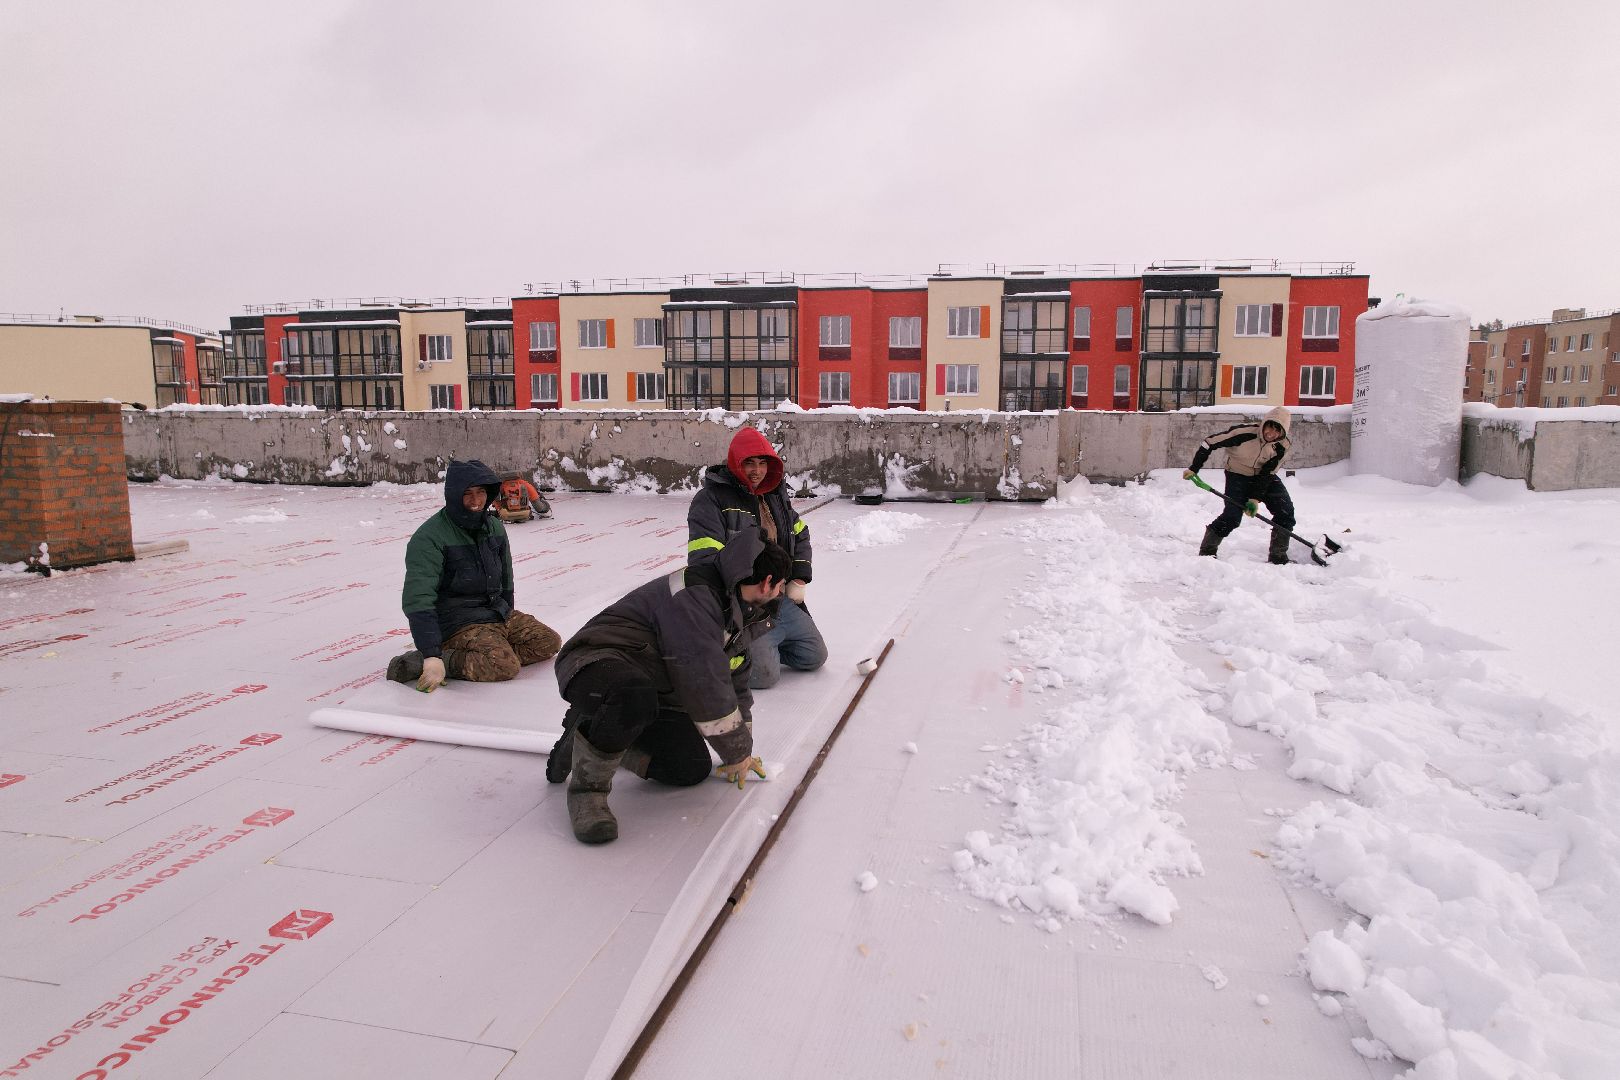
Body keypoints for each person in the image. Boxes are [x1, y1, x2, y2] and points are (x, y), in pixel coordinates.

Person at [547, 531, 791, 844]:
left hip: (655, 686)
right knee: (631, 695)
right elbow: (703, 686)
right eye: (781, 585)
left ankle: (590, 732)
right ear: (767, 582)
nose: (782, 593)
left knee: (688, 768)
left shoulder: (743, 609)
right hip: (597, 661)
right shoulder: (696, 598)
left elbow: (735, 678)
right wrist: (737, 751)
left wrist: (742, 747)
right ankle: (587, 792)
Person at [385, 459, 561, 690]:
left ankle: (491, 650)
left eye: (480, 492)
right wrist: (431, 653)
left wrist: (506, 617)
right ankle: (429, 660)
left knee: (548, 642)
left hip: (493, 611)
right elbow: (418, 599)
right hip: (456, 621)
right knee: (504, 666)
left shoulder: (494, 527)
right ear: (453, 495)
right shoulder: (430, 537)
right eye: (467, 493)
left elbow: (506, 578)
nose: (476, 500)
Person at [688, 427, 826, 688]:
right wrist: (741, 597)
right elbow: (704, 560)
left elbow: (800, 532)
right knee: (764, 677)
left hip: (779, 598)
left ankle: (763, 645)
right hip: (745, 606)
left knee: (814, 656)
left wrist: (799, 577)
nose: (757, 470)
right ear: (735, 463)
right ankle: (724, 651)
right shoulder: (711, 500)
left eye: (763, 463)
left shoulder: (774, 494)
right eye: (749, 462)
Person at [1183, 406, 1295, 565]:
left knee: (1286, 513)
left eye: (1278, 431)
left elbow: (1268, 472)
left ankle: (1278, 556)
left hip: (1264, 477)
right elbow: (1209, 443)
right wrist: (1194, 469)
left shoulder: (1283, 445)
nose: (1271, 434)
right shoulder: (1244, 433)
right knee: (1232, 517)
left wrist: (1255, 498)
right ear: (1264, 424)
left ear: (1283, 433)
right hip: (1237, 474)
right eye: (1269, 427)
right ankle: (1207, 552)